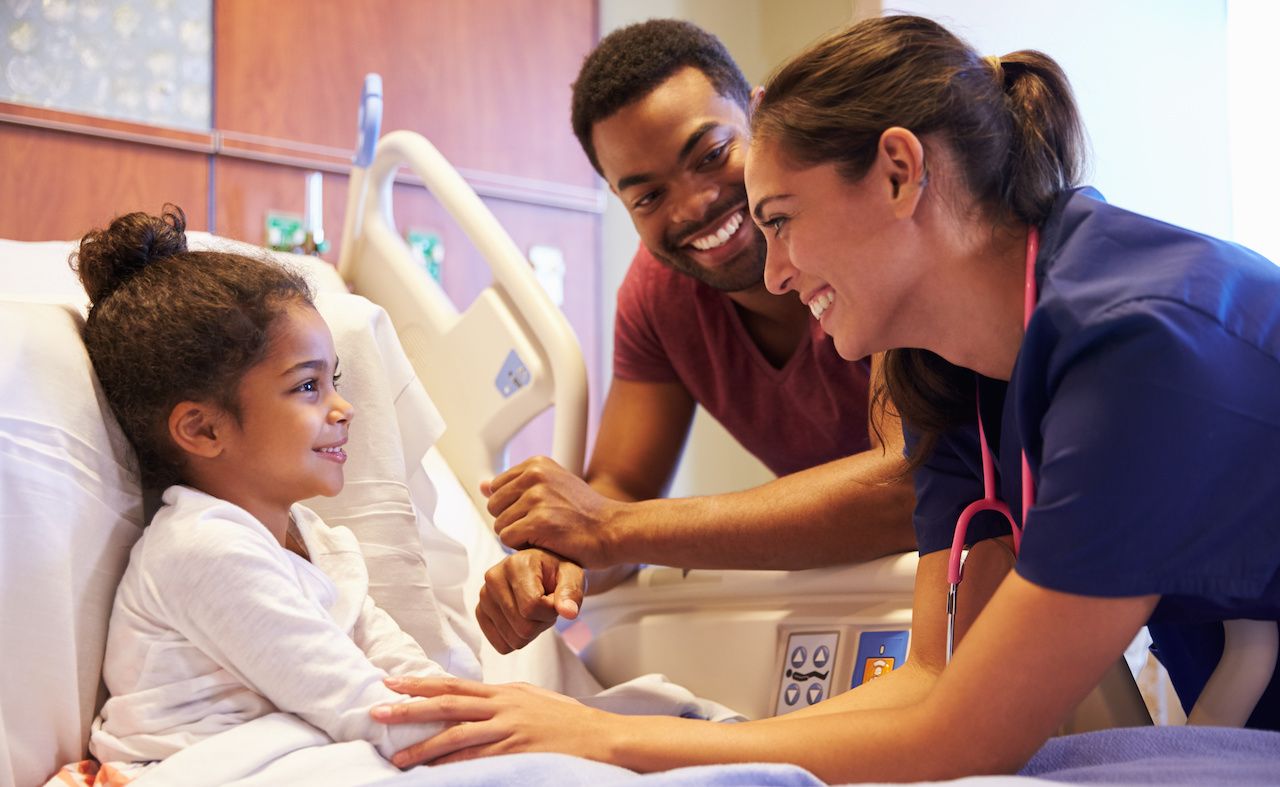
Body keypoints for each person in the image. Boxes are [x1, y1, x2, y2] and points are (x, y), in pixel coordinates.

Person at [373, 14, 1280, 780]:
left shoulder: (1141, 344)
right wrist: (703, 743)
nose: (767, 269)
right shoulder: (953, 371)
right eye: (645, 193)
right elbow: (935, 677)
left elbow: (971, 729)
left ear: (897, 171)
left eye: (780, 220)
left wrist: (614, 738)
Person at [475, 18, 916, 655]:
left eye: (711, 155)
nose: (692, 206)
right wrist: (559, 558)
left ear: (759, 115)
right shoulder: (658, 298)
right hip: (871, 592)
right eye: (648, 196)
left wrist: (610, 528)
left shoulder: (870, 231)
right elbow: (621, 485)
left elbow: (904, 487)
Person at [75, 207, 451, 773]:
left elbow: (407, 677)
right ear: (204, 429)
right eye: (307, 385)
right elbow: (374, 712)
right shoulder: (201, 551)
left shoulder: (314, 540)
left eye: (335, 380)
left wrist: (507, 716)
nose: (344, 408)